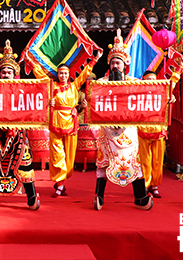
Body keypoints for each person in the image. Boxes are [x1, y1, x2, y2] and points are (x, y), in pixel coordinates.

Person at [0, 40, 40, 211]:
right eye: (3, 72)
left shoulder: (23, 89)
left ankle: (32, 197)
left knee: (24, 162)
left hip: (17, 132)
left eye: (9, 72)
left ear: (15, 74)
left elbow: (33, 103)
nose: (5, 75)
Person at [93, 29, 153, 211]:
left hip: (128, 130)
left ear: (124, 64)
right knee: (104, 163)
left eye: (118, 62)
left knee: (133, 162)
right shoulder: (101, 83)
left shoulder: (134, 83)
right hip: (108, 131)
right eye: (112, 63)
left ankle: (141, 198)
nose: (115, 66)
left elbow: (149, 98)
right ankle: (99, 197)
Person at [45, 50, 101, 198]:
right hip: (56, 121)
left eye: (65, 73)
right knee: (57, 155)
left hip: (70, 123)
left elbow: (84, 73)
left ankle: (61, 181)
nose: (62, 76)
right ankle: (60, 185)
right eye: (60, 73)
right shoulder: (52, 87)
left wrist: (95, 60)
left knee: (69, 157)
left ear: (68, 75)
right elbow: (40, 89)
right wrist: (49, 103)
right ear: (57, 74)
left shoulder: (74, 86)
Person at [137, 70, 171, 198]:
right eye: (147, 80)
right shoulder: (138, 94)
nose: (151, 82)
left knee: (157, 160)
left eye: (153, 80)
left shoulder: (162, 92)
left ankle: (154, 185)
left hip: (158, 130)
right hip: (143, 130)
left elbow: (172, 85)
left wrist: (179, 69)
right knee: (145, 160)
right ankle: (145, 184)